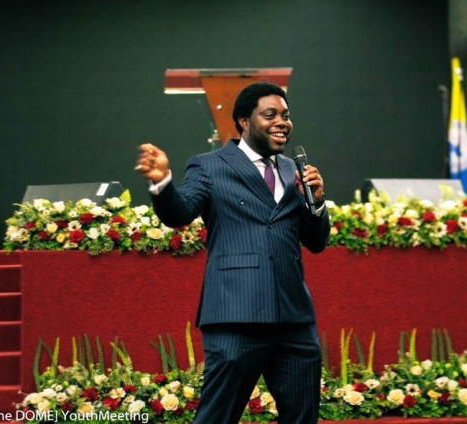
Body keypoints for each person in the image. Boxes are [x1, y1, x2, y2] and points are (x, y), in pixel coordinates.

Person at [135, 81, 330, 424]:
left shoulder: (292, 169)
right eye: (270, 114)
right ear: (244, 121)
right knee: (217, 417)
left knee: (302, 417)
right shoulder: (209, 165)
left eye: (286, 115)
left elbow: (315, 242)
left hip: (293, 318)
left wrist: (317, 202)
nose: (282, 122)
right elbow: (180, 214)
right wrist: (162, 182)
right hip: (236, 315)